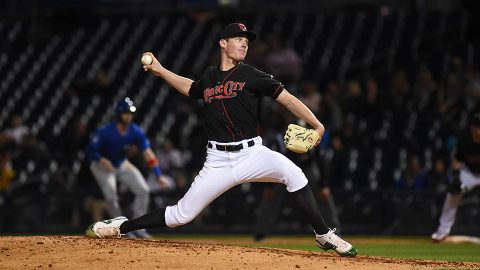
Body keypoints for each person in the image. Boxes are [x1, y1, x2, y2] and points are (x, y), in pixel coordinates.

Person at [85, 23, 357, 257]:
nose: (245, 44)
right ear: (223, 43)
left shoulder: (252, 75)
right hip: (217, 160)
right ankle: (121, 226)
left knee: (295, 175)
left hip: (253, 153)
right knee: (181, 216)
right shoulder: (209, 77)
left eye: (247, 41)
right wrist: (160, 70)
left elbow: (286, 98)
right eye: (239, 39)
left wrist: (317, 124)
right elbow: (190, 88)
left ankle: (323, 235)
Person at [86, 97, 168, 239]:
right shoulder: (106, 131)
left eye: (130, 113)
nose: (128, 116)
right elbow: (90, 150)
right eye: (125, 113)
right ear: (119, 114)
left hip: (120, 163)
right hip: (101, 166)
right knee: (111, 197)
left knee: (143, 190)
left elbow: (148, 153)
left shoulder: (135, 131)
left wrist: (158, 174)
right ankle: (121, 229)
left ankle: (138, 227)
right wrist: (101, 159)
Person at [431, 113, 480, 242]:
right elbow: (457, 160)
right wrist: (456, 177)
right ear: (472, 128)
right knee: (453, 193)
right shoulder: (465, 140)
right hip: (469, 173)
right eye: (477, 127)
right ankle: (442, 232)